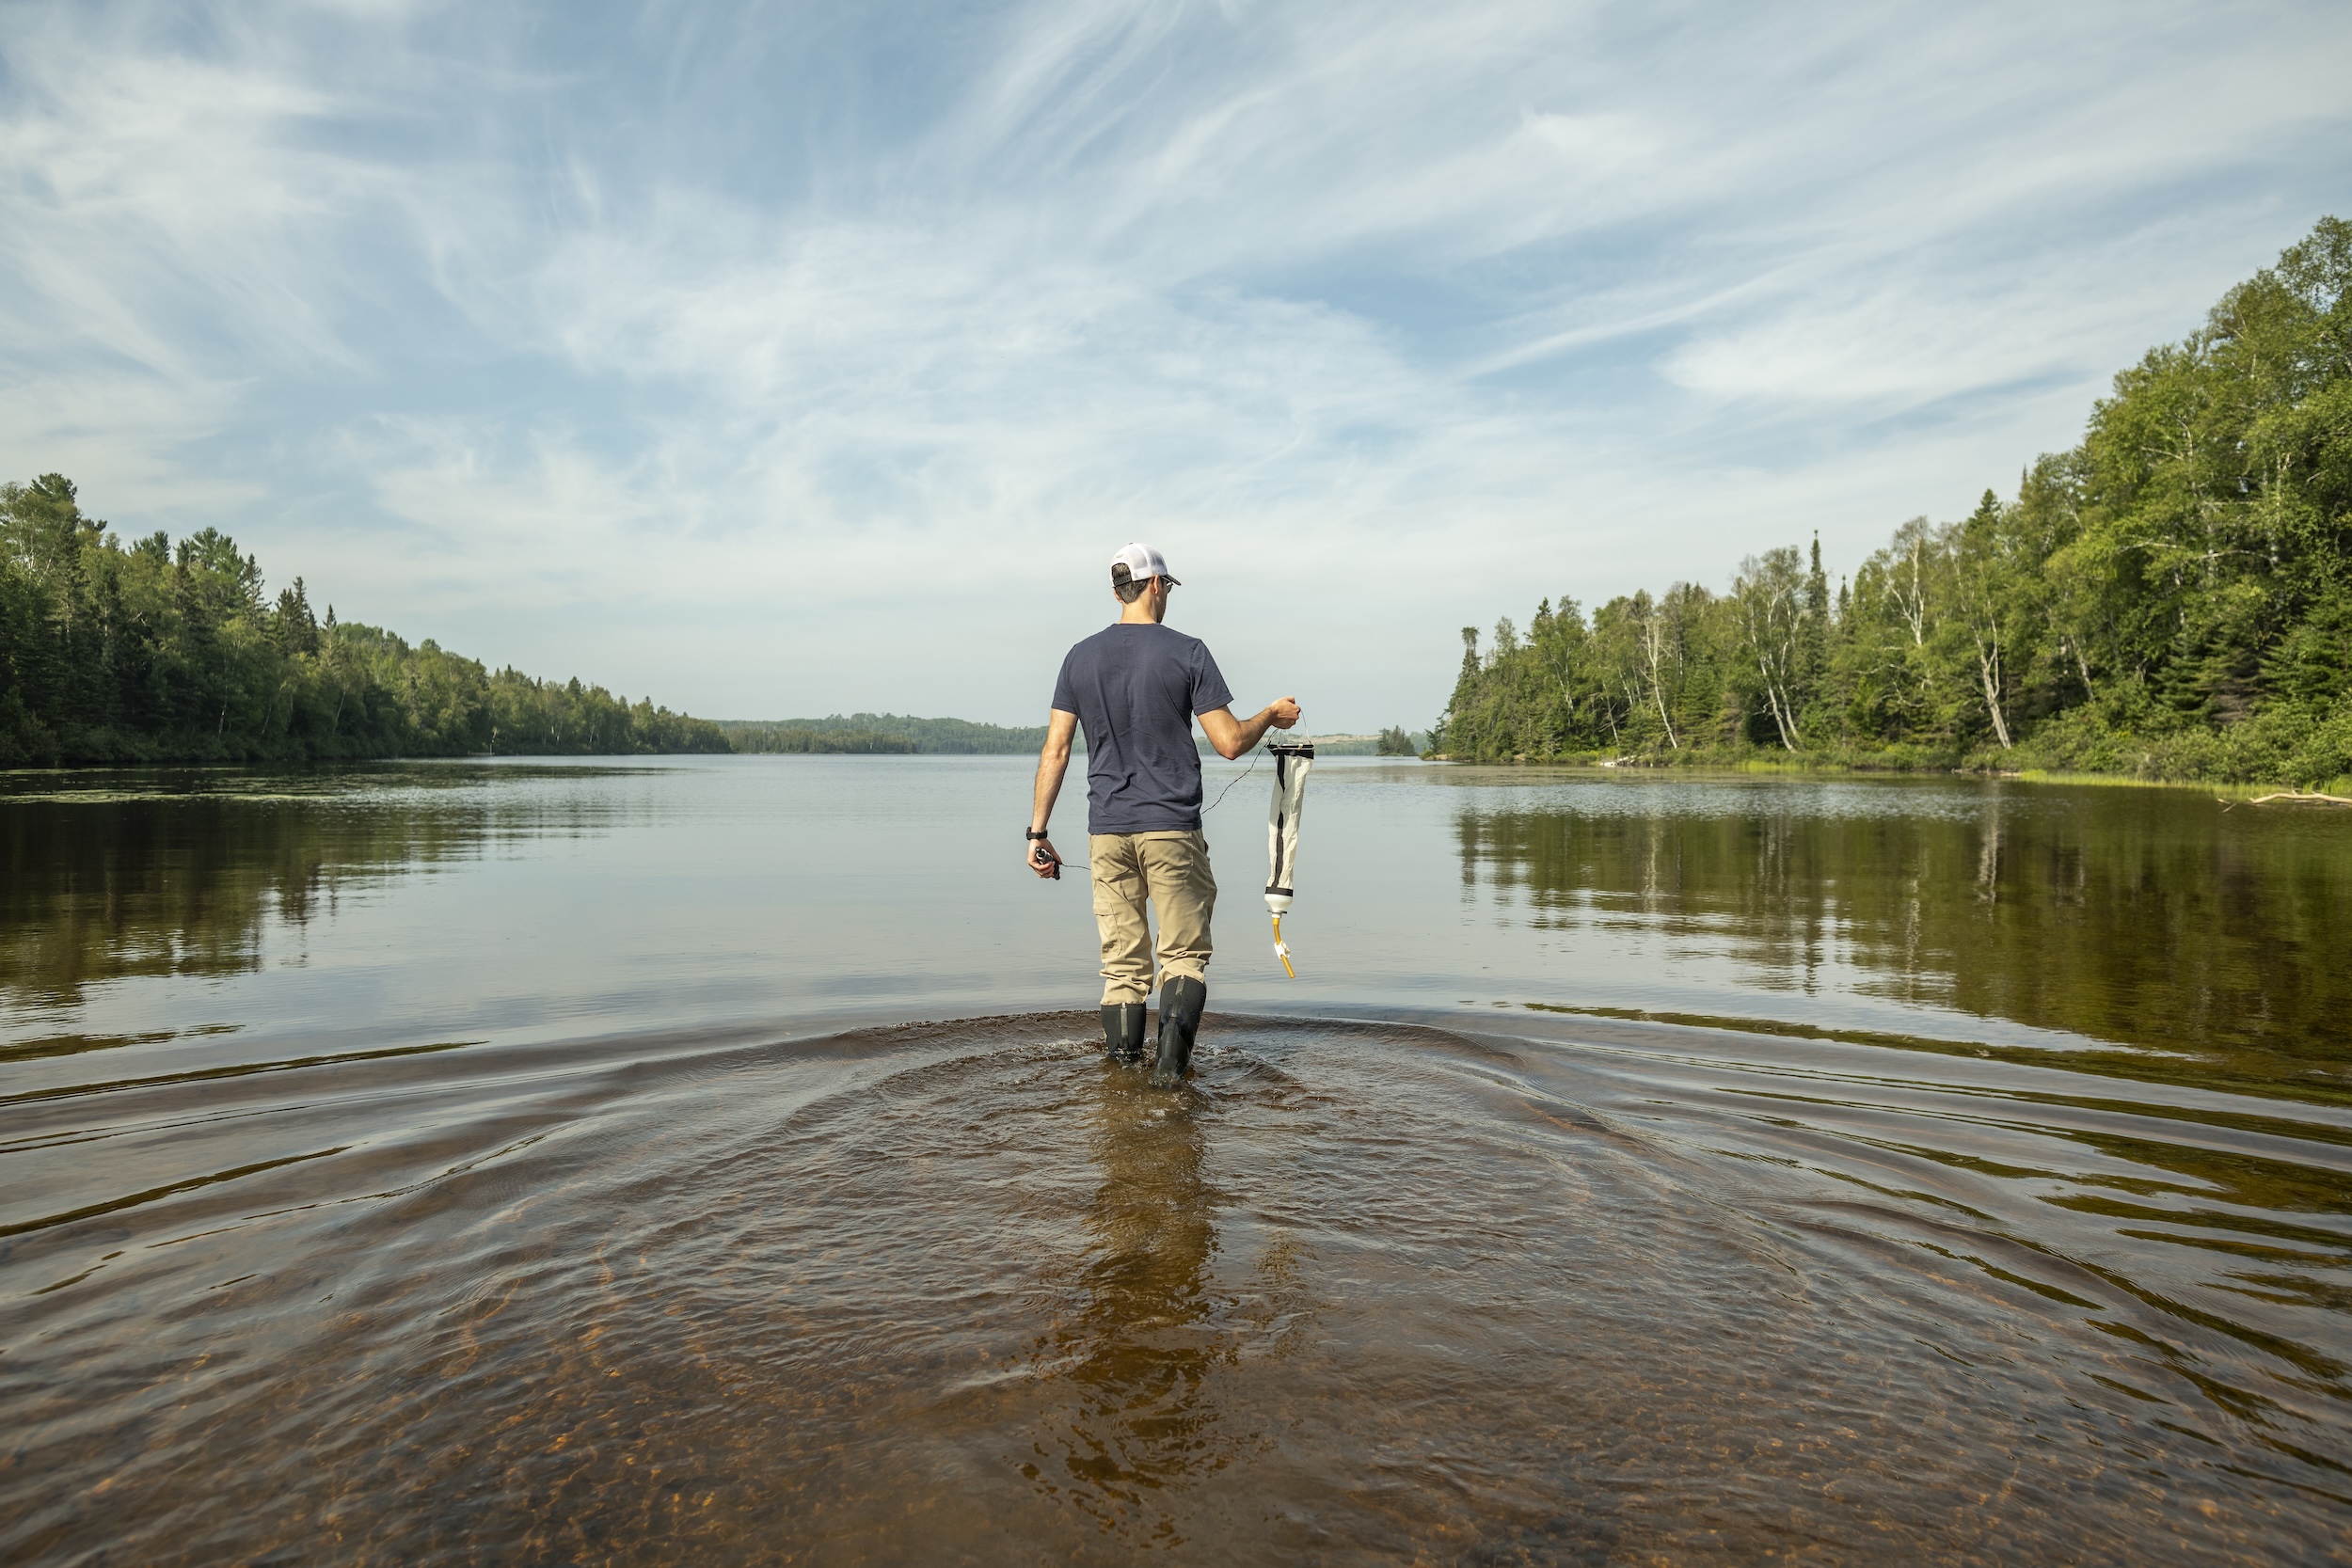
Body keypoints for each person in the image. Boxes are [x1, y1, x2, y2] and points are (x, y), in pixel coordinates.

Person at [1026, 544, 1302, 1087]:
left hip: (1106, 833)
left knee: (1123, 970)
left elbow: (1055, 750)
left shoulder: (1078, 657)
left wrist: (1037, 832)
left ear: (1116, 591)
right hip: (1172, 829)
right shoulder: (1188, 651)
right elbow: (1227, 743)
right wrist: (1270, 715)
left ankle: (1122, 1085)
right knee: (1182, 959)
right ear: (1156, 587)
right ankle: (1168, 1085)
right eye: (1168, 587)